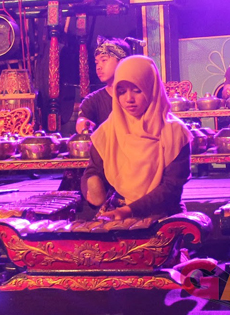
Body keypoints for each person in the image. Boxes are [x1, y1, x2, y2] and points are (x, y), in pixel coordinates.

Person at [82, 56, 193, 219]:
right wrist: (91, 188)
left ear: (151, 88)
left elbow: (171, 188)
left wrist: (129, 211)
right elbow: (93, 170)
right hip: (117, 211)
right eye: (121, 92)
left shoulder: (175, 133)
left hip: (161, 212)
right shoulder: (108, 130)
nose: (129, 99)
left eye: (137, 90)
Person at [76, 36, 131, 133]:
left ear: (122, 62)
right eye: (97, 63)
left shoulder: (137, 97)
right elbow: (82, 120)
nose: (98, 67)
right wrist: (83, 123)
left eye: (104, 60)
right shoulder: (92, 101)